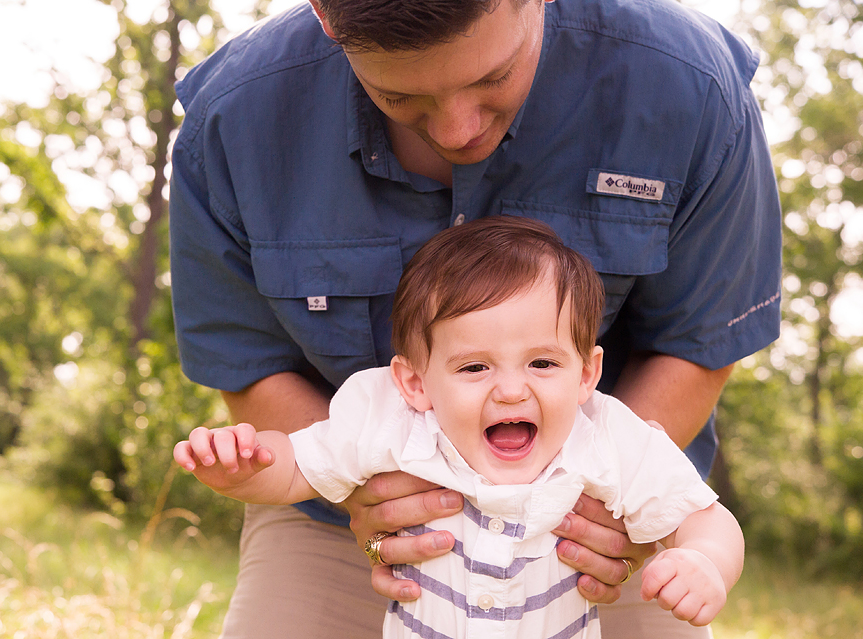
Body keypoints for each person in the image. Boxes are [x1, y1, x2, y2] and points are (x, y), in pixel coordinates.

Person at [168, 0, 782, 637]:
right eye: (400, 96)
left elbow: (700, 343)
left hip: (602, 529)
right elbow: (252, 371)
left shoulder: (692, 84)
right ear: (327, 18)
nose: (458, 131)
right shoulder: (232, 116)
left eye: (493, 78)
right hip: (333, 513)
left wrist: (636, 528)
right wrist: (347, 491)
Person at [174, 216, 745, 639]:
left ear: (586, 373)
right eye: (474, 367)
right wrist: (243, 467)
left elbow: (705, 520)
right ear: (416, 382)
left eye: (543, 363)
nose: (512, 389)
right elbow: (296, 466)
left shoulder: (609, 440)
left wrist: (701, 562)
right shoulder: (393, 423)